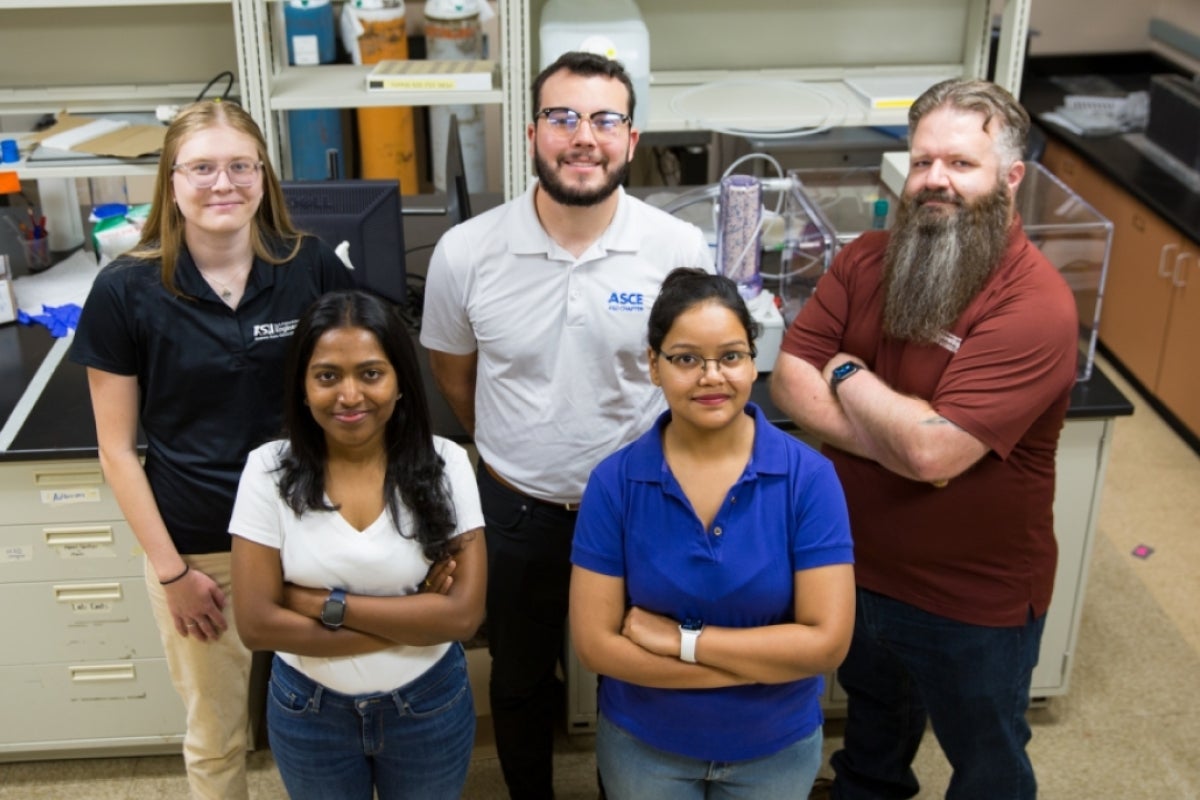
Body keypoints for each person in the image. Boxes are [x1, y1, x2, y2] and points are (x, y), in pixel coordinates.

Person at [770, 78, 1079, 799]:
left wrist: (848, 372)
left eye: (961, 164)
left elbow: (934, 451)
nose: (934, 180)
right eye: (922, 161)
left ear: (1010, 178)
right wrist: (906, 442)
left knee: (987, 764)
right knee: (872, 744)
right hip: (856, 569)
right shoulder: (868, 258)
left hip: (973, 599)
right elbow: (788, 379)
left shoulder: (1035, 305)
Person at [420, 50, 714, 798]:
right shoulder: (467, 252)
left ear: (631, 140)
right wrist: (509, 444)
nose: (584, 136)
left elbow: (692, 367)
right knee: (519, 679)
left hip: (640, 505)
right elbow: (454, 369)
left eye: (604, 119)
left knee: (639, 668)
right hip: (518, 508)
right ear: (531, 134)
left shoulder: (674, 249)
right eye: (563, 117)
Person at [69, 99, 355, 799]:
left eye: (239, 166)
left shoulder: (308, 265)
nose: (222, 184)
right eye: (201, 168)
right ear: (171, 182)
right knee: (217, 732)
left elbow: (356, 402)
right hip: (201, 548)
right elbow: (115, 450)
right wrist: (172, 575)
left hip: (309, 530)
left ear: (264, 178)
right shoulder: (125, 290)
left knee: (328, 720)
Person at [569, 268, 855, 799]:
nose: (711, 377)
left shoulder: (808, 480)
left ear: (753, 360)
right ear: (653, 365)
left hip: (775, 747)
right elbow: (597, 647)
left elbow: (828, 643)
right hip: (644, 747)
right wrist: (760, 667)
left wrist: (683, 642)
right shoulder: (615, 483)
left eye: (731, 356)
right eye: (685, 359)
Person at [228, 289, 485, 799]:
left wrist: (320, 604)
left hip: (428, 702)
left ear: (400, 383)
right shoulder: (267, 469)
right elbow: (257, 625)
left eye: (370, 373)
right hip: (309, 710)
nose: (350, 396)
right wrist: (416, 619)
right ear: (302, 387)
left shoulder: (447, 464)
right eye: (327, 376)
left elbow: (461, 618)